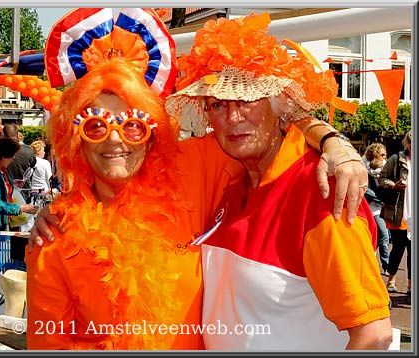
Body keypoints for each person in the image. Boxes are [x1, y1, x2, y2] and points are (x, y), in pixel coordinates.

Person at [26, 8, 370, 351]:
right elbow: (48, 344)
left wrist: (331, 141)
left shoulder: (190, 168)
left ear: (151, 133)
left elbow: (262, 125)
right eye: (95, 125)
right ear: (76, 140)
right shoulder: (55, 240)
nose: (114, 140)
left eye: (132, 125)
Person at [164, 12, 392, 350]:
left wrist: (333, 141)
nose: (233, 117)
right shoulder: (232, 180)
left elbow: (374, 335)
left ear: (279, 105)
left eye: (248, 99)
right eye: (218, 104)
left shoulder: (319, 188)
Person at [0, 137, 38, 280]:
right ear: (1, 157)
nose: (13, 160)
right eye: (11, 157)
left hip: (2, 223)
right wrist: (20, 208)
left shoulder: (0, 171)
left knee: (4, 261)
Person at [379, 130, 412, 294]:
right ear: (407, 142)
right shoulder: (397, 159)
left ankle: (411, 285)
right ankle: (391, 280)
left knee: (413, 250)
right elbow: (382, 178)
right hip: (399, 211)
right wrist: (394, 185)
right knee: (398, 248)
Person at [363, 143, 390, 274]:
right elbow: (365, 189)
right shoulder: (363, 167)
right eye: (382, 154)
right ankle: (385, 266)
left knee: (380, 236)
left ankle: (379, 264)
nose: (385, 157)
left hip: (383, 206)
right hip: (370, 207)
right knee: (382, 235)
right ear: (375, 155)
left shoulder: (385, 167)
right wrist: (380, 200)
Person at [2, 123, 37, 198]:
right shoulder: (29, 151)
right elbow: (33, 166)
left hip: (4, 194)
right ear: (18, 135)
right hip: (23, 193)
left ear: (3, 136)